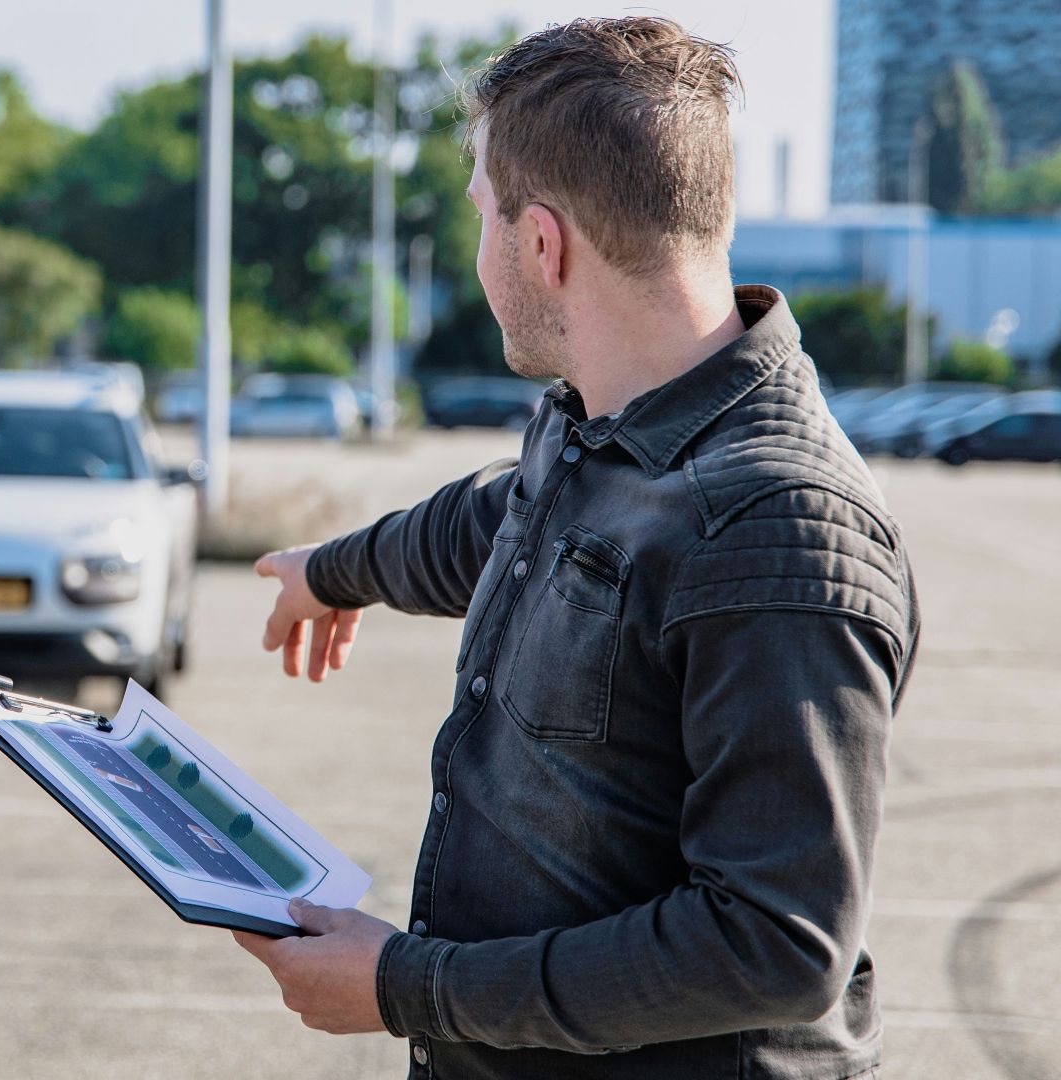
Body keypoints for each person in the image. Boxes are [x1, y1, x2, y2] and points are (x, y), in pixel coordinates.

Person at [236, 17, 917, 1079]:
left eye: (481, 220)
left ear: (541, 243)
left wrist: (404, 986)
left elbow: (777, 945)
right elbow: (500, 523)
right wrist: (334, 569)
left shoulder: (781, 530)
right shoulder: (603, 425)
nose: (478, 253)